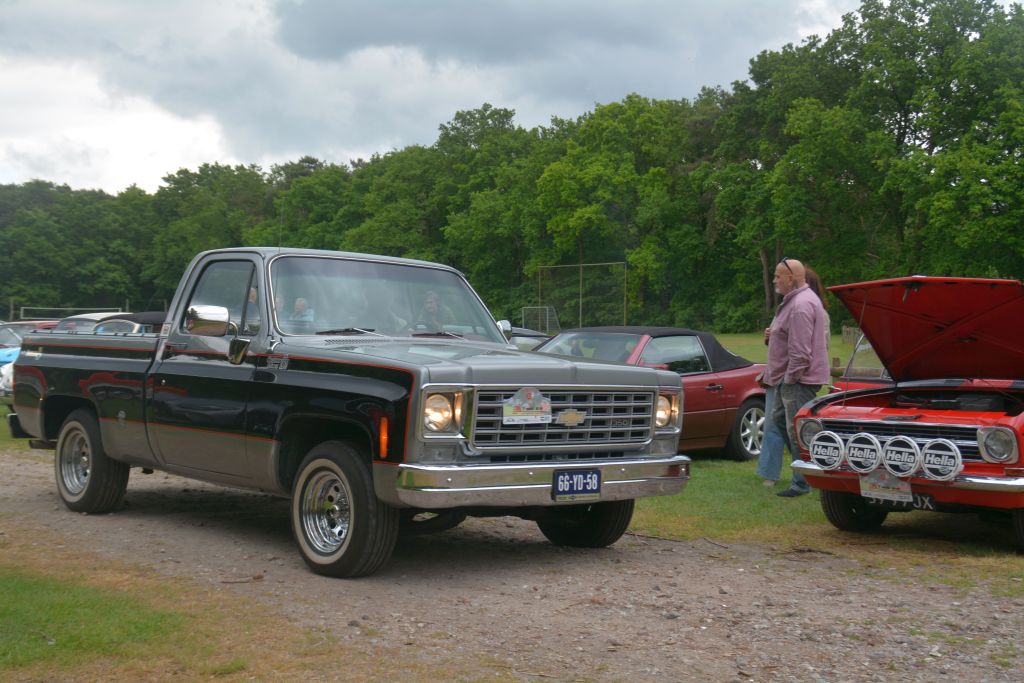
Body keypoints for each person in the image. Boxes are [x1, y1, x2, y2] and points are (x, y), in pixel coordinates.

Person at [764, 257, 830, 498]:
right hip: (789, 379)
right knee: (781, 420)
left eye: (777, 276)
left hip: (798, 380)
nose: (775, 281)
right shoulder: (797, 301)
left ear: (790, 278)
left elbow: (801, 353)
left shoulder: (801, 306)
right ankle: (805, 475)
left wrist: (790, 379)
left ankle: (802, 482)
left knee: (797, 431)